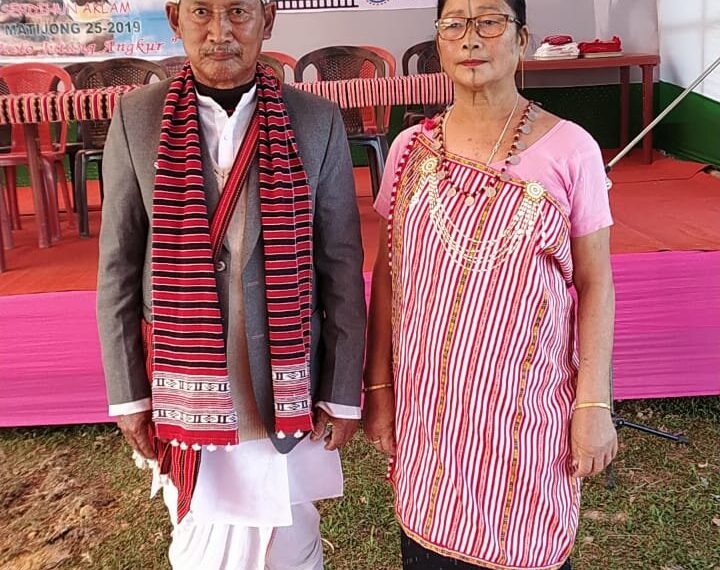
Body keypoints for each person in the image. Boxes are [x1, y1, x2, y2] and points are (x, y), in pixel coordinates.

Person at [96, 0, 366, 568]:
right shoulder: (137, 119)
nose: (220, 31)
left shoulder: (315, 120)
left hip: (284, 390)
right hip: (184, 391)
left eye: (238, 12)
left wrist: (342, 392)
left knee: (291, 544)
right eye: (202, 12)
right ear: (176, 19)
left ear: (268, 19)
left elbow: (340, 265)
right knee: (201, 545)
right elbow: (117, 269)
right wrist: (129, 396)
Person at [363, 1, 617, 569]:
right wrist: (378, 388)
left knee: (528, 548)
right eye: (454, 23)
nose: (471, 38)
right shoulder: (410, 150)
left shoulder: (571, 148)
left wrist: (593, 403)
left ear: (521, 39)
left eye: (490, 22)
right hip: (429, 416)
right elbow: (388, 271)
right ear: (439, 42)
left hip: (526, 415)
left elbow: (596, 283)